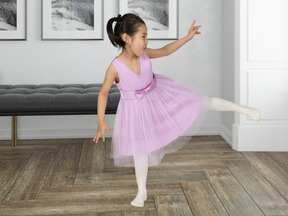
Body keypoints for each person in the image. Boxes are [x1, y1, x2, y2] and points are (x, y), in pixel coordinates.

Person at [93, 13, 261, 207]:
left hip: (160, 96)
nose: (147, 41)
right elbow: (103, 93)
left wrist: (187, 38)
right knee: (141, 150)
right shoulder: (114, 68)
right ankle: (142, 192)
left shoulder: (145, 55)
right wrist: (100, 121)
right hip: (135, 111)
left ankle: (245, 110)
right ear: (126, 38)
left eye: (147, 36)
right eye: (143, 36)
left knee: (200, 101)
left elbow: (165, 50)